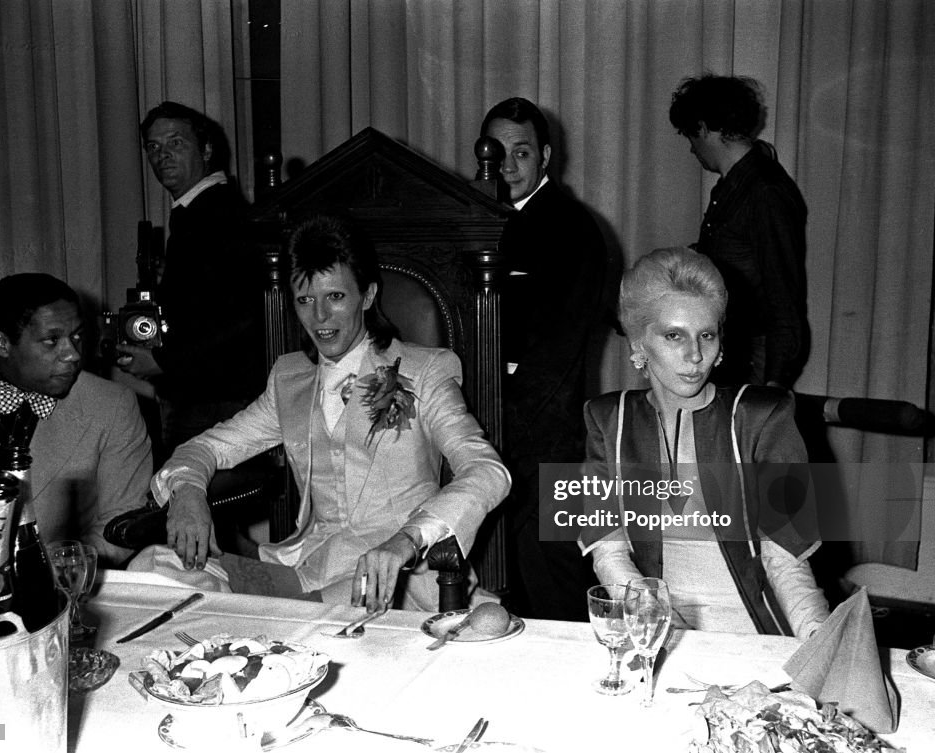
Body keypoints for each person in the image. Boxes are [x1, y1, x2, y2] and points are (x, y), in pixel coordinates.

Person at [148, 214, 510, 611]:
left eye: (335, 297)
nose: (319, 317)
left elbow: (487, 471)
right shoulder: (288, 380)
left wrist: (409, 538)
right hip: (309, 570)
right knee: (153, 568)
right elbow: (206, 449)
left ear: (367, 296)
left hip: (399, 580)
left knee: (311, 623)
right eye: (305, 300)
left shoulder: (425, 371)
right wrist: (187, 492)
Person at [579, 248, 829, 638]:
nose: (695, 355)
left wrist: (820, 645)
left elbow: (788, 565)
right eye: (673, 335)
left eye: (706, 335)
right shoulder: (607, 419)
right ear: (638, 344)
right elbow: (608, 552)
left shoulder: (763, 417)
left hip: (757, 635)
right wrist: (652, 614)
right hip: (654, 630)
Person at [481, 96, 620, 620]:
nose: (508, 166)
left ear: (544, 156)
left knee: (551, 579)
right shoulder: (472, 219)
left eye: (521, 153)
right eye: (498, 152)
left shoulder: (574, 228)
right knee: (498, 583)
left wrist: (495, 422)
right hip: (487, 427)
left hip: (544, 433)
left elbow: (558, 351)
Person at [0, 273, 152, 572]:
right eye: (52, 341)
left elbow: (123, 524)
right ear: (2, 343)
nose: (73, 354)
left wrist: (46, 573)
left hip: (48, 589)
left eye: (76, 336)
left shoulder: (113, 406)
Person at [117, 101, 266, 455]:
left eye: (176, 143)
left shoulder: (215, 212)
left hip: (216, 402)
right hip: (209, 398)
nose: (162, 155)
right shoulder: (198, 211)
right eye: (154, 147)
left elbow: (245, 315)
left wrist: (162, 362)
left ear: (207, 149)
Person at [669, 74, 809, 388]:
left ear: (703, 127)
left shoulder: (764, 191)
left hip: (753, 361)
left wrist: (772, 387)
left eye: (690, 136)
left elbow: (783, 299)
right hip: (730, 351)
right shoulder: (734, 186)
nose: (692, 149)